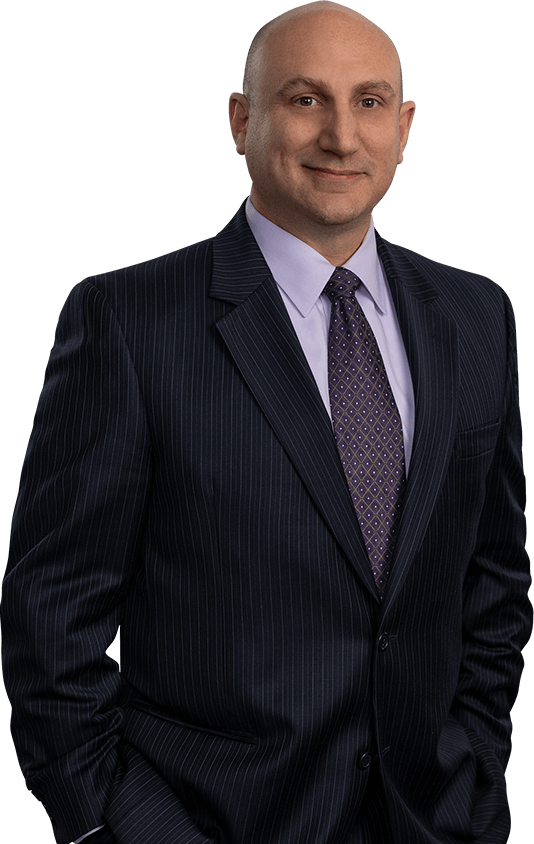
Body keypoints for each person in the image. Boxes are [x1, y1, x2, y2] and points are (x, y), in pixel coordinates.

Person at [2, 3, 531, 843]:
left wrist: (478, 777)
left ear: (404, 129)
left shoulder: (476, 314)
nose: (341, 138)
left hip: (434, 820)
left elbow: (494, 581)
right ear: (241, 121)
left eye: (367, 102)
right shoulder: (126, 320)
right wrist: (115, 824)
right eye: (305, 99)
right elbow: (54, 613)